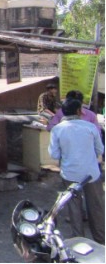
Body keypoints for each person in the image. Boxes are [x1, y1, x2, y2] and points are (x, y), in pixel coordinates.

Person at [48, 98, 104, 244]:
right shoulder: (90, 127)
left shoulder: (57, 129)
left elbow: (54, 154)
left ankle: (79, 242)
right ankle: (101, 242)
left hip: (70, 174)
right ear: (79, 111)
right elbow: (100, 150)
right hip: (91, 173)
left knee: (74, 208)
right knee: (96, 207)